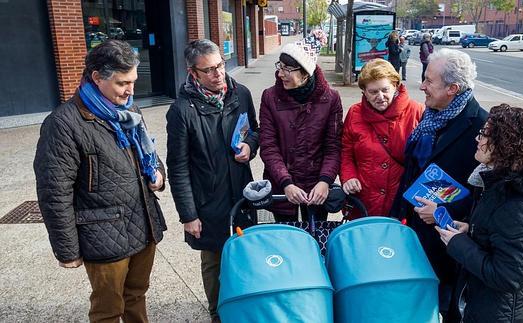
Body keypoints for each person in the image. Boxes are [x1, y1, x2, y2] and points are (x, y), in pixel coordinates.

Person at [34, 39, 167, 322]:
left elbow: (149, 153)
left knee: (137, 295)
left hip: (143, 224)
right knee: (108, 309)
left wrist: (158, 175)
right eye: (122, 83)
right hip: (103, 235)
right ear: (97, 78)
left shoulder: (130, 110)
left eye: (132, 81)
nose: (130, 90)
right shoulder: (63, 123)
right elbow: (54, 191)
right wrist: (67, 249)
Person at [436, 104, 523, 322]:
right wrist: (471, 230)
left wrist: (459, 243)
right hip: (485, 301)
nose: (477, 139)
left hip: (496, 311)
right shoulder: (499, 182)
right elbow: (497, 234)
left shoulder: (516, 207)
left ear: (505, 144)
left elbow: (509, 275)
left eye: (484, 134)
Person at [389, 48, 488, 322]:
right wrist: (396, 216)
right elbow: (413, 170)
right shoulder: (431, 116)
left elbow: (488, 196)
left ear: (453, 89)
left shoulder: (482, 127)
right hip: (415, 229)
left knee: (444, 308)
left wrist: (444, 209)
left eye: (429, 81)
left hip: (450, 244)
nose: (421, 86)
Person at [165, 39, 259, 323]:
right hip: (207, 198)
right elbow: (177, 166)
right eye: (209, 70)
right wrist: (188, 215)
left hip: (240, 191)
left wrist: (250, 147)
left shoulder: (240, 93)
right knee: (214, 259)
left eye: (220, 65)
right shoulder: (181, 111)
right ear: (193, 73)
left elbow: (254, 130)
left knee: (244, 251)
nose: (218, 74)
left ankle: (242, 304)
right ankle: (218, 312)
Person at [259, 29, 343, 222]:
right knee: (286, 239)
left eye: (287, 69)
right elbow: (269, 146)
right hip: (282, 184)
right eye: (280, 66)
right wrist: (285, 182)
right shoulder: (270, 97)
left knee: (315, 238)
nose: (280, 73)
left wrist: (325, 181)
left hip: (316, 187)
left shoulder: (330, 99)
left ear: (306, 73)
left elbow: (333, 147)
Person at [340, 58, 423, 218]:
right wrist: (349, 176)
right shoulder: (355, 113)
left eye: (385, 90)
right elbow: (346, 152)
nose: (380, 96)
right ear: (363, 91)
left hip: (401, 201)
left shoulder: (417, 112)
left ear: (395, 86)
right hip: (363, 199)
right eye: (373, 92)